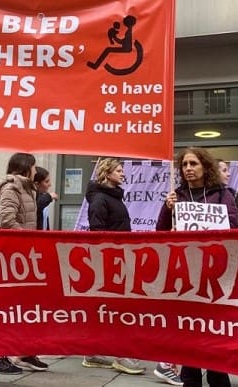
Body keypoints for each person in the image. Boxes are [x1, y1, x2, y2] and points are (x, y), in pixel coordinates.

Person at [156, 148, 237, 387]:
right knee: (188, 339)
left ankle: (218, 379)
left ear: (205, 166)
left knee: (214, 338)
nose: (188, 168)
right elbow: (161, 233)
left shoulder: (223, 194)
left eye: (193, 164)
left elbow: (232, 227)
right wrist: (167, 209)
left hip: (214, 275)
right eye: (184, 165)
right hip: (185, 275)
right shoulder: (176, 195)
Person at [81, 158, 148, 377]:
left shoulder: (112, 196)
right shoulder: (101, 199)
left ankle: (92, 352)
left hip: (118, 259)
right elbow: (98, 233)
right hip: (110, 261)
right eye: (118, 170)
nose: (123, 174)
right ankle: (120, 356)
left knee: (109, 308)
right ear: (107, 173)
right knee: (116, 309)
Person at [0, 153, 49, 375]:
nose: (36, 169)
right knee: (7, 308)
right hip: (13, 255)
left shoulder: (27, 188)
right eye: (33, 166)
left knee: (26, 307)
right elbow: (7, 221)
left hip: (26, 254)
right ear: (26, 167)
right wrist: (28, 239)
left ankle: (24, 353)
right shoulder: (11, 188)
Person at [33, 166, 59, 230]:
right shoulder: (32, 197)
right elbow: (36, 205)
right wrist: (49, 196)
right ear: (37, 184)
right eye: (46, 181)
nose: (50, 184)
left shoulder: (43, 197)